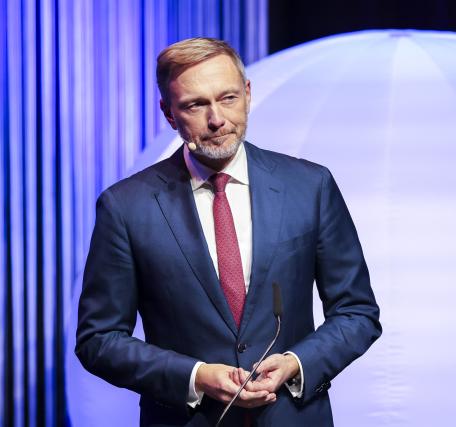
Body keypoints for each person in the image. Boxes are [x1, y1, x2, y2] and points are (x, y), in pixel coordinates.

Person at [75, 37, 381, 426]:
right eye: (195, 105)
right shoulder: (126, 207)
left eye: (228, 98)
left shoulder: (310, 187)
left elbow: (357, 312)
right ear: (168, 113)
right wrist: (196, 377)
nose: (217, 119)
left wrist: (295, 364)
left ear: (248, 94)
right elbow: (98, 340)